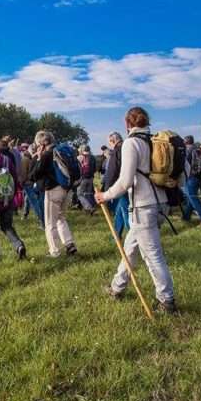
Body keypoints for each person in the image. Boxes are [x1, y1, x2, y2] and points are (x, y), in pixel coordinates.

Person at [95, 107, 177, 314]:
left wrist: (105, 195)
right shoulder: (156, 141)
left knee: (152, 256)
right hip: (161, 203)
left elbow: (124, 182)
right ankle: (117, 287)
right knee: (130, 248)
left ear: (127, 124)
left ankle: (166, 300)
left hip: (143, 206)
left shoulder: (131, 143)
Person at [29, 130, 77, 257]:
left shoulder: (46, 155)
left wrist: (38, 158)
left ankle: (54, 251)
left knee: (50, 223)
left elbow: (33, 175)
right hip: (67, 189)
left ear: (41, 144)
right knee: (61, 218)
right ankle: (69, 243)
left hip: (52, 190)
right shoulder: (60, 151)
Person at [103, 132, 129, 238]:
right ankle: (117, 234)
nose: (110, 145)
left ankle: (134, 235)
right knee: (119, 210)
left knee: (126, 211)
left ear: (113, 141)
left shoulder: (117, 151)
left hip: (122, 185)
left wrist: (106, 189)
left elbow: (112, 172)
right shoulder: (126, 147)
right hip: (130, 183)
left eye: (110, 142)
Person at [182, 136, 201, 223]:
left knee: (193, 198)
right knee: (191, 197)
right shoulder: (198, 149)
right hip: (199, 177)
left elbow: (184, 165)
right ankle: (186, 217)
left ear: (185, 142)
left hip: (191, 177)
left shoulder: (187, 151)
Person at [77, 145, 96, 214]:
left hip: (82, 178)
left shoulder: (79, 158)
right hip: (91, 178)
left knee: (79, 194)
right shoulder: (93, 157)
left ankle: (89, 208)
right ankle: (92, 207)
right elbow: (94, 168)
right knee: (89, 193)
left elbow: (77, 169)